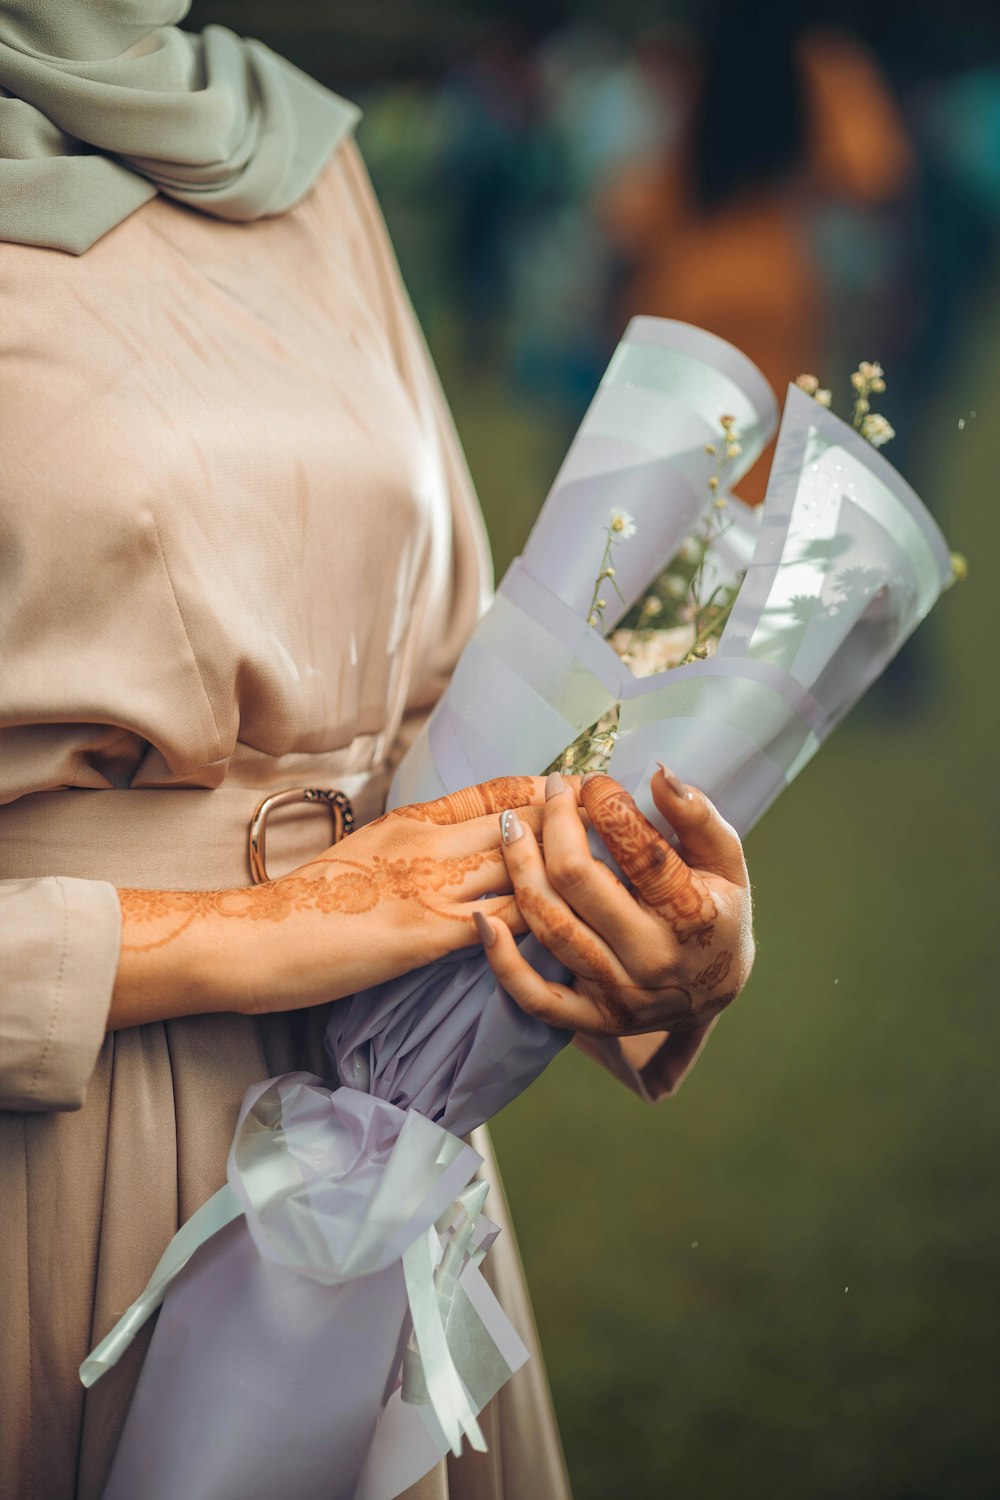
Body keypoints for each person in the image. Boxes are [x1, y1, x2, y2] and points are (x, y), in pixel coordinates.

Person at [0, 7, 755, 1498]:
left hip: (370, 1127)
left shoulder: (294, 147)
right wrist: (257, 930)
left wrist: (617, 919)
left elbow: (431, 688)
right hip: (45, 1169)